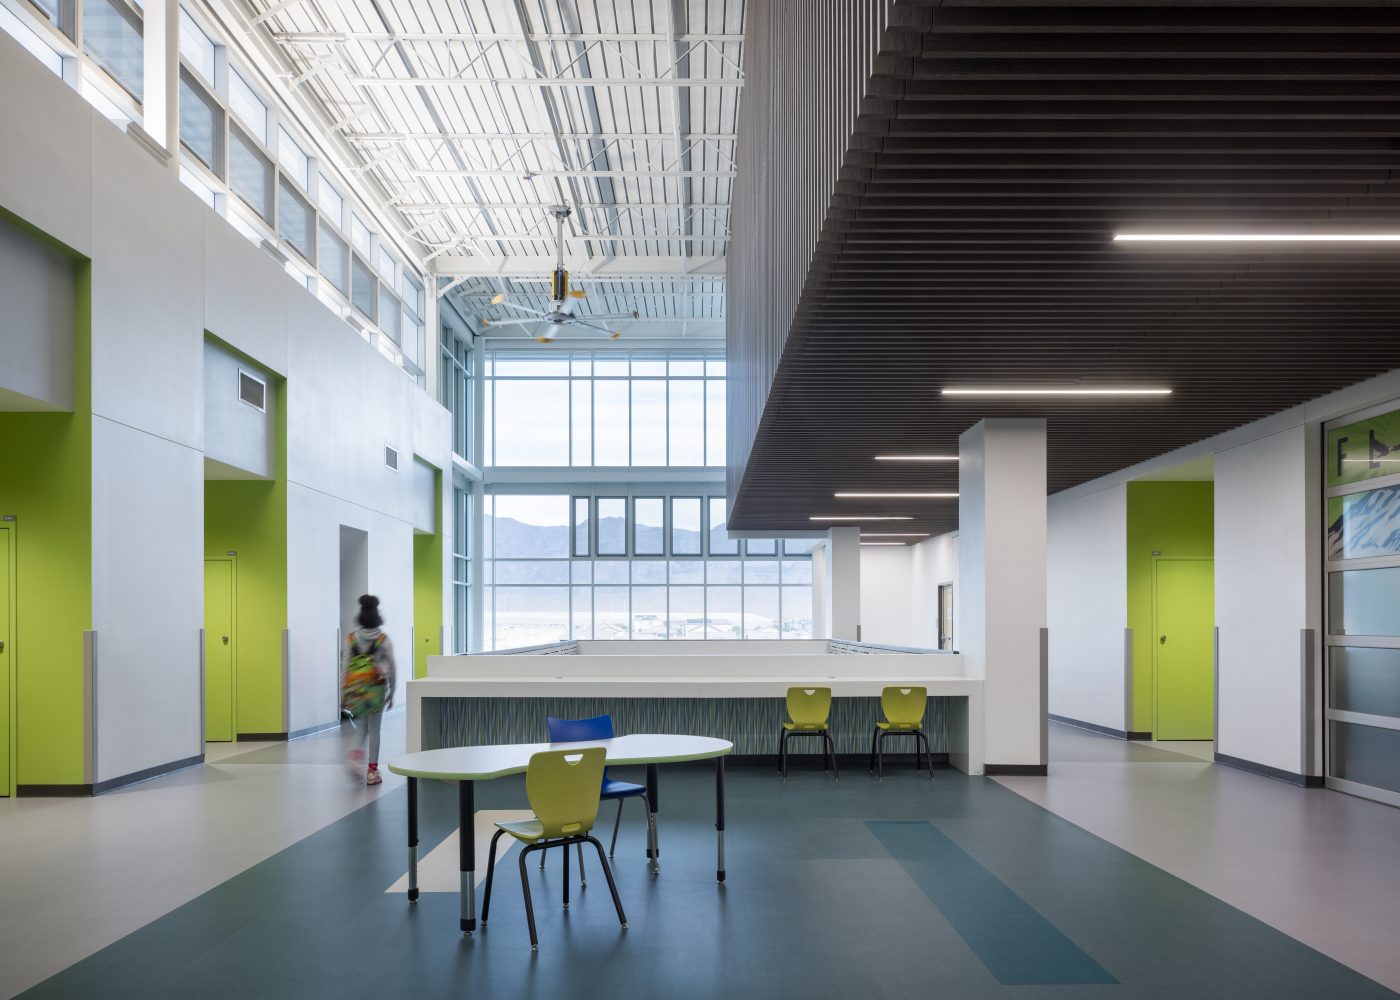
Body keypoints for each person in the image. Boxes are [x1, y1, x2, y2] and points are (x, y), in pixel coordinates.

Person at [341, 594, 396, 785]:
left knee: (362, 727)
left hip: (356, 689)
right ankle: (372, 772)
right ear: (377, 614)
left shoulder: (351, 639)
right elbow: (392, 666)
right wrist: (392, 691)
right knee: (375, 730)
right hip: (376, 690)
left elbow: (345, 666)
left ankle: (354, 758)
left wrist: (344, 691)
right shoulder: (383, 639)